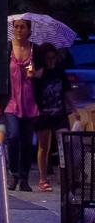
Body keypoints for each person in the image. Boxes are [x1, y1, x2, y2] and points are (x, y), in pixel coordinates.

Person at [0, 17, 39, 192]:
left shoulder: (35, 50)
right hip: (12, 102)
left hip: (30, 102)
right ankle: (13, 174)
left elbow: (45, 73)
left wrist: (35, 73)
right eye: (16, 27)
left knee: (27, 142)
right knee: (13, 136)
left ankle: (24, 178)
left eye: (22, 27)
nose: (19, 30)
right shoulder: (7, 49)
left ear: (29, 30)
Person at [33, 42, 71, 192]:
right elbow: (33, 92)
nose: (51, 61)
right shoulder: (39, 73)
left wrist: (73, 108)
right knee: (44, 147)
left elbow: (66, 91)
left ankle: (66, 177)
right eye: (48, 58)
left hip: (59, 112)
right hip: (43, 114)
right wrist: (36, 75)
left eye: (53, 58)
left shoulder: (60, 71)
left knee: (64, 144)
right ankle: (43, 179)